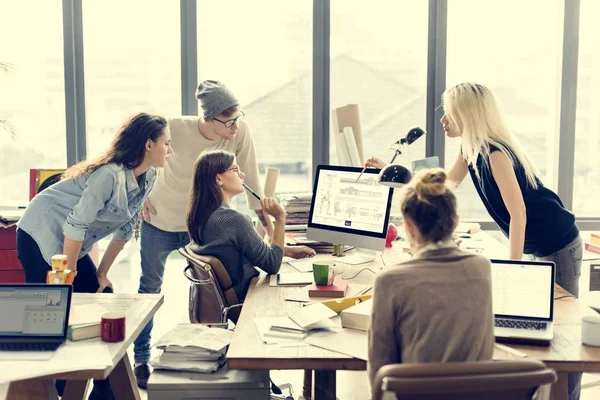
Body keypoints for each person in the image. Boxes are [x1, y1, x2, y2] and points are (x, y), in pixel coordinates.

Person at [133, 80, 305, 387]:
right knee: (149, 289)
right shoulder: (175, 127)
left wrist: (274, 235)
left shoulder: (239, 135)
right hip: (160, 218)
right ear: (210, 119)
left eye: (238, 119)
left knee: (210, 289)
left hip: (197, 221)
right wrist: (139, 196)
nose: (235, 128)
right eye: (228, 123)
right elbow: (140, 158)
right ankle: (141, 359)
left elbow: (251, 181)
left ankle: (210, 356)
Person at [16, 112, 171, 400]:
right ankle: (53, 387)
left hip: (71, 242)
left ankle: (103, 389)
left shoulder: (148, 175)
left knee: (101, 300)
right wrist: (68, 276)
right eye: (166, 143)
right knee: (54, 313)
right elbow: (75, 225)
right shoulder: (108, 175)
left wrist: (102, 273)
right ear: (148, 145)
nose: (169, 150)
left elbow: (126, 226)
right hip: (40, 233)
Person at [368, 168, 494, 385]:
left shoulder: (390, 281)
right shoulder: (481, 268)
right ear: (455, 222)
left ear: (408, 227)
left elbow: (379, 375)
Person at [186, 149, 315, 301]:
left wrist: (286, 251)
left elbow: (245, 250)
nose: (242, 175)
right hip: (249, 299)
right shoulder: (233, 220)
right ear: (218, 179)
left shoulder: (202, 216)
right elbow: (272, 265)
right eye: (234, 169)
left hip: (225, 301)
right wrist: (280, 218)